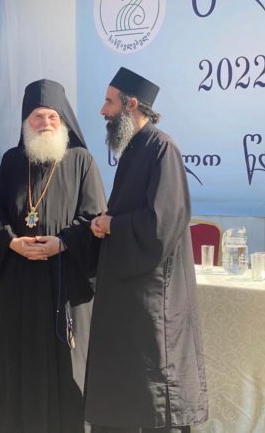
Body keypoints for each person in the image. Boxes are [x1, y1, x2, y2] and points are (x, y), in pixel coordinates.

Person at [85, 68, 208, 433]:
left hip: (154, 297)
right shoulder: (134, 147)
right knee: (128, 391)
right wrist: (105, 222)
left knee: (155, 397)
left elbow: (162, 223)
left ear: (131, 104)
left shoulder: (161, 148)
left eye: (109, 102)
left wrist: (113, 225)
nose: (102, 111)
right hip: (129, 293)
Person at [0, 79, 106, 433]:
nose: (45, 123)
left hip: (66, 279)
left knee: (67, 361)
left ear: (63, 121)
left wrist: (62, 243)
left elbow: (95, 217)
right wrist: (11, 242)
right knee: (22, 359)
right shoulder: (12, 161)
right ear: (26, 121)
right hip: (20, 282)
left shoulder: (81, 161)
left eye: (52, 116)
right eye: (37, 116)